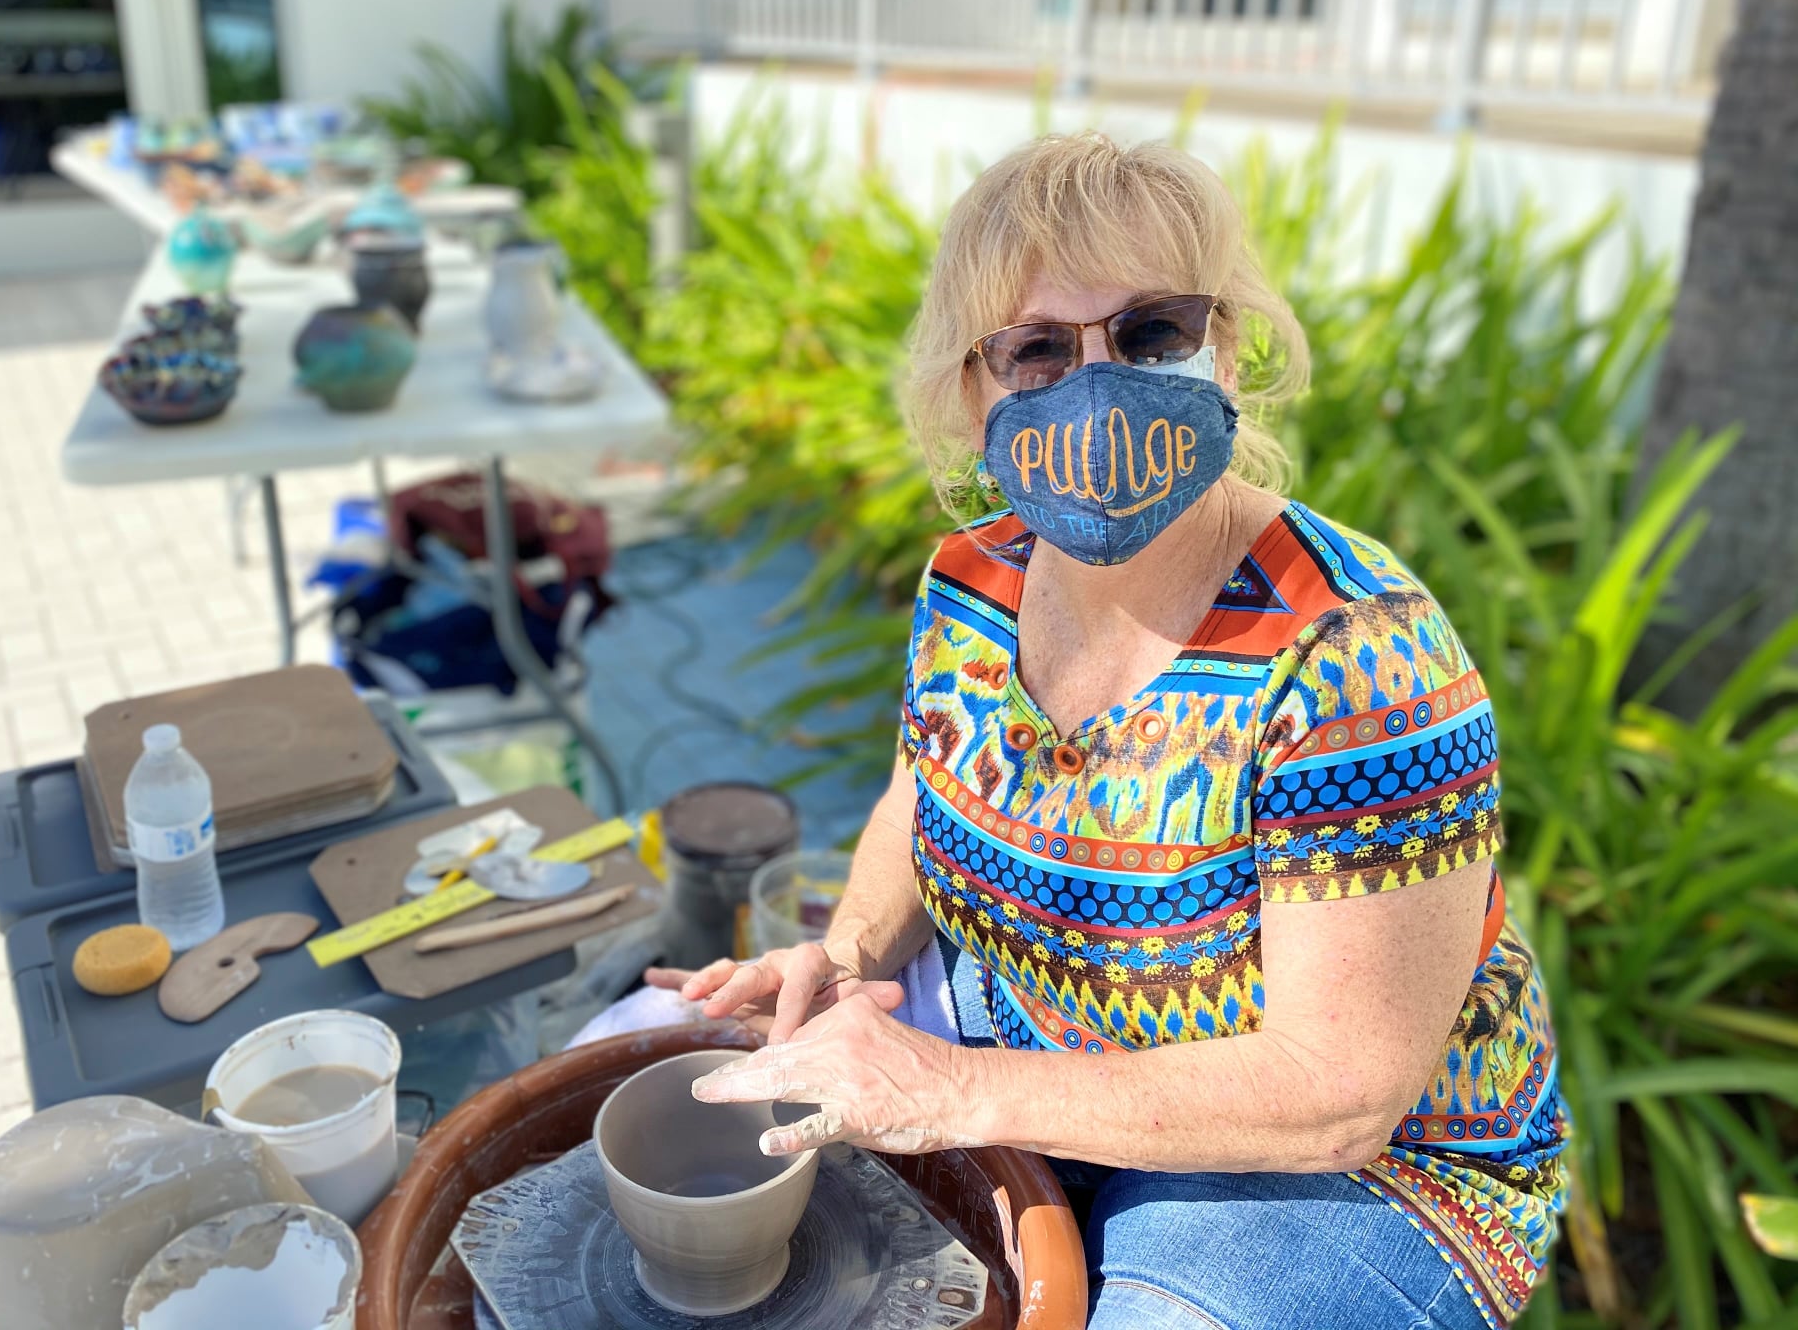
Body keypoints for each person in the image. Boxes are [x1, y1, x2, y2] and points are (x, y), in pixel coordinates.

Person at [647, 134, 1566, 1329]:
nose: (1099, 385)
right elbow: (919, 794)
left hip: (1349, 1176)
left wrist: (952, 1089)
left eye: (1149, 334)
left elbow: (1341, 1095)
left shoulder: (1354, 656)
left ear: (1223, 350)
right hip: (1027, 1043)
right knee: (659, 1044)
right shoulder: (975, 583)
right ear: (973, 392)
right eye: (1036, 347)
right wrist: (855, 955)